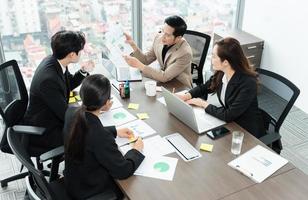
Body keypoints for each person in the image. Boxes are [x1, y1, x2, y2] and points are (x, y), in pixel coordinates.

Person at [64, 74, 144, 199]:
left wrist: (114, 131)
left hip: (73, 181)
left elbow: (86, 132)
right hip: (90, 190)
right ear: (106, 103)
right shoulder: (99, 136)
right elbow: (123, 171)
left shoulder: (71, 112)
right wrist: (136, 150)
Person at [178, 37, 265, 138]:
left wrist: (203, 104)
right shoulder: (222, 72)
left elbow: (229, 115)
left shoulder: (248, 83)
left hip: (246, 132)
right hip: (230, 123)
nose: (211, 60)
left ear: (226, 62)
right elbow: (205, 87)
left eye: (214, 57)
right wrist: (187, 95)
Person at [24, 30, 93, 150]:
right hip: (45, 129)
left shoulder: (55, 61)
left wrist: (83, 71)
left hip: (52, 114)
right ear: (72, 54)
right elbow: (66, 115)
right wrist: (93, 109)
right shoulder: (48, 80)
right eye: (80, 51)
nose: (81, 53)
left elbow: (67, 84)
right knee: (88, 135)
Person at [123, 15, 193, 88]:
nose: (162, 37)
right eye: (163, 31)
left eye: (167, 35)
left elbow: (165, 76)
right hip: (163, 82)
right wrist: (132, 44)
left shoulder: (185, 53)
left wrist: (139, 65)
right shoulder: (158, 38)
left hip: (179, 86)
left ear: (178, 38)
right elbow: (146, 59)